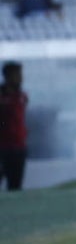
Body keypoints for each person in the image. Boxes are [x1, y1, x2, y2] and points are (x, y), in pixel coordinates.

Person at [0, 61, 29, 191]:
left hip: (19, 147)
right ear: (8, 76)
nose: (21, 77)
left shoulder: (22, 96)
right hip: (3, 148)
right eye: (18, 74)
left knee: (16, 186)